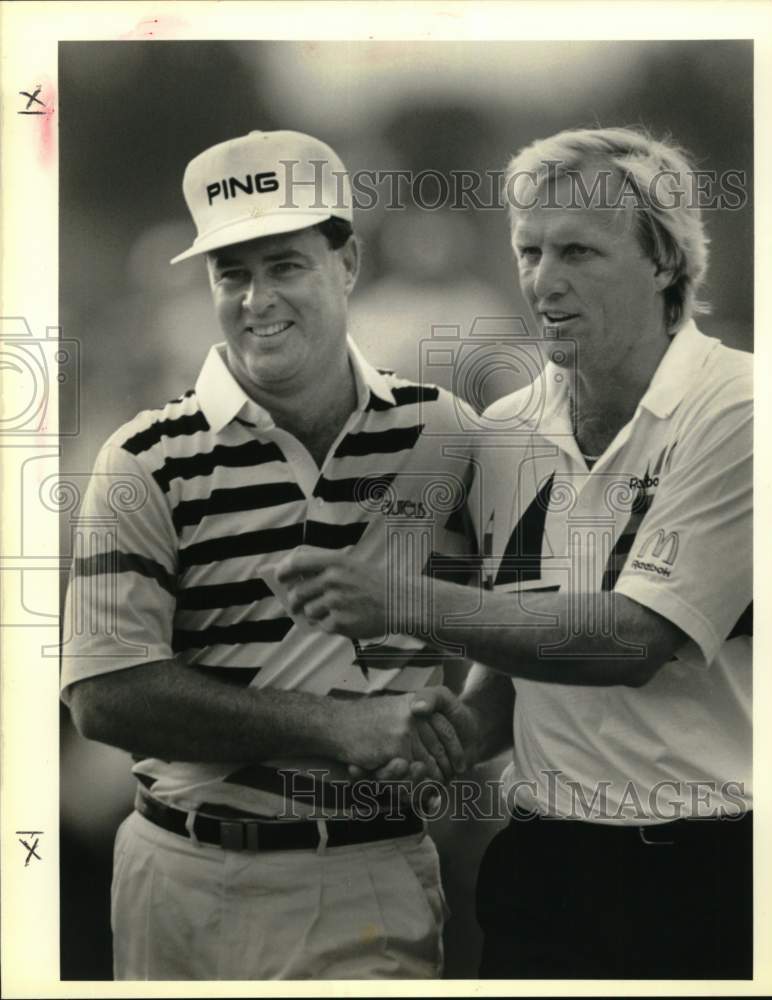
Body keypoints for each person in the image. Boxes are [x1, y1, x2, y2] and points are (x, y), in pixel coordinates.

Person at [276, 127, 753, 979]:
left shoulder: (746, 410)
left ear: (666, 262)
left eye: (578, 251)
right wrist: (437, 746)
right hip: (544, 865)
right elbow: (517, 658)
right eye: (529, 251)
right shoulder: (506, 429)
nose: (543, 281)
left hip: (720, 868)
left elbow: (629, 641)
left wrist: (403, 601)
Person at [60, 129, 478, 981]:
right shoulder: (146, 457)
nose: (257, 300)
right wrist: (339, 725)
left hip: (372, 875)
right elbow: (102, 695)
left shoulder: (445, 434)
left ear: (348, 261)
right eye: (232, 274)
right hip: (178, 880)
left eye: (284, 266)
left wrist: (461, 736)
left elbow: (532, 614)